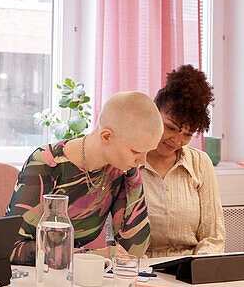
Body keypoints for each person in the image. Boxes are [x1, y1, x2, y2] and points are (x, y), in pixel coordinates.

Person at [8, 91, 163, 263]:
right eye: (136, 152)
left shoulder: (117, 170)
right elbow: (13, 247)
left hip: (80, 279)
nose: (143, 161)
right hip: (36, 280)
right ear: (106, 136)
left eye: (148, 152)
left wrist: (133, 176)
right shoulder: (47, 163)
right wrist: (91, 257)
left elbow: (134, 250)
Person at [141, 65, 225, 256]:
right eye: (170, 128)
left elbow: (213, 238)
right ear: (154, 114)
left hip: (189, 270)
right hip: (140, 269)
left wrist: (196, 270)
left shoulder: (200, 163)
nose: (176, 141)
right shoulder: (129, 161)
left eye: (187, 134)